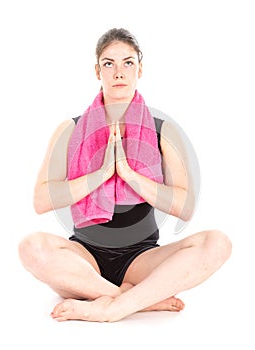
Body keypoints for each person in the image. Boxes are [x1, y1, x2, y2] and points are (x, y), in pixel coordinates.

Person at [18, 28, 232, 322]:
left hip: (141, 259)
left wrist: (130, 175)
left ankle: (110, 307)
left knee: (217, 243)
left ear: (140, 69)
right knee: (31, 247)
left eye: (128, 62)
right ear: (97, 71)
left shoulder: (162, 132)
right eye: (109, 63)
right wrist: (101, 174)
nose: (119, 72)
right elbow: (40, 200)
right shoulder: (69, 130)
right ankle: (137, 300)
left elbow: (184, 206)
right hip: (83, 259)